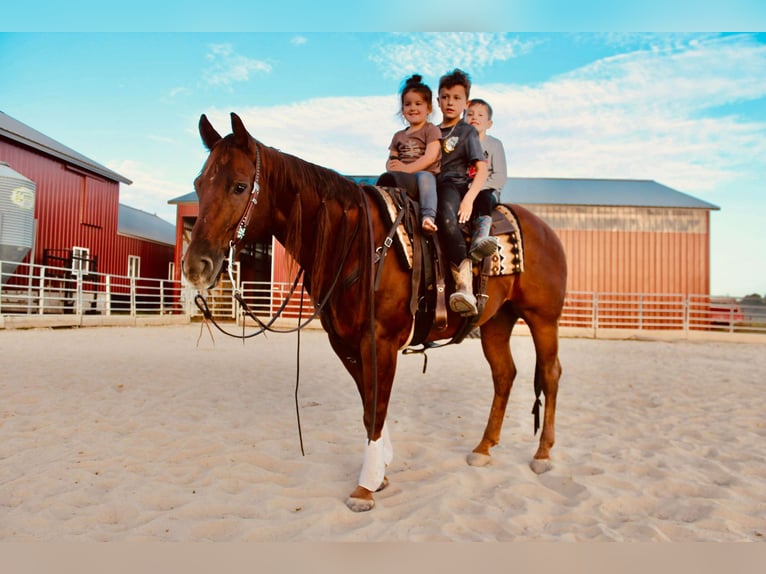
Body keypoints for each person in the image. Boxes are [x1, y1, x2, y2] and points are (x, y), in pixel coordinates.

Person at [435, 69, 496, 316]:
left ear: (465, 102)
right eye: (445, 96)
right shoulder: (431, 131)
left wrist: (469, 199)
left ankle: (464, 284)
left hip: (454, 184)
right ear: (437, 100)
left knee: (448, 220)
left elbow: (482, 169)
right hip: (429, 184)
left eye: (456, 98)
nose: (450, 102)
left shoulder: (466, 132)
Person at [384, 74, 442, 233]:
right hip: (402, 176)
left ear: (428, 108)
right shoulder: (398, 136)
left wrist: (405, 169)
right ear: (402, 109)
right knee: (383, 181)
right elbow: (391, 161)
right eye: (407, 104)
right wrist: (392, 167)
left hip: (422, 176)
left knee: (425, 176)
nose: (413, 108)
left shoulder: (431, 130)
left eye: (418, 103)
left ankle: (428, 217)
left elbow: (430, 157)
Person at [467, 98, 507, 205]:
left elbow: (499, 176)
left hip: (487, 189)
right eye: (470, 114)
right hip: (463, 188)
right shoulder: (459, 145)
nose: (474, 117)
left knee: (483, 199)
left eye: (480, 115)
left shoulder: (495, 144)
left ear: (489, 124)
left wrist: (474, 187)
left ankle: (484, 220)